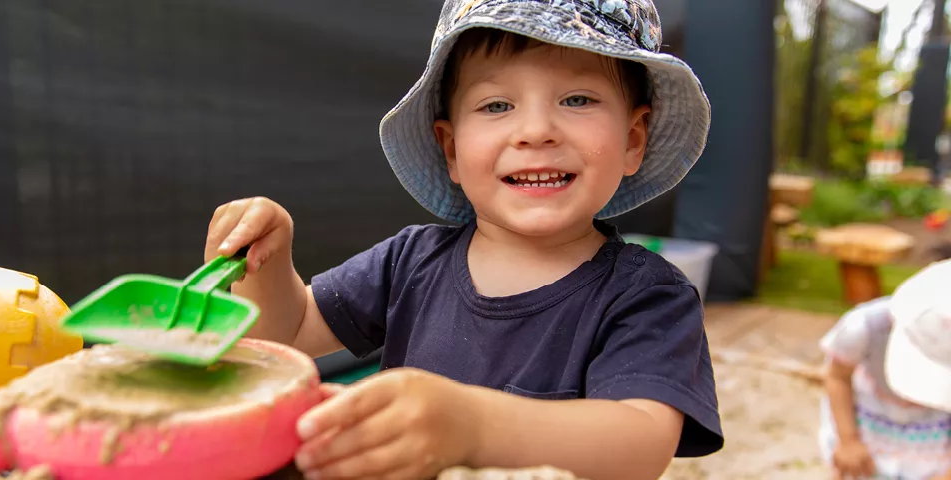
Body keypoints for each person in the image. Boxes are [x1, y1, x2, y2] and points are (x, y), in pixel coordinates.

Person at [205, 1, 722, 478]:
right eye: (497, 106)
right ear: (450, 149)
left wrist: (472, 427)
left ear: (633, 140)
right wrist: (264, 265)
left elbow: (641, 442)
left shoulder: (648, 296)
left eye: (577, 99)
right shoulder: (410, 262)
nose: (536, 130)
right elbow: (288, 333)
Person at [820, 259, 951, 480]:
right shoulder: (863, 326)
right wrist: (848, 440)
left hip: (933, 444)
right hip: (871, 432)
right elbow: (837, 376)